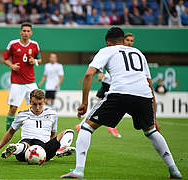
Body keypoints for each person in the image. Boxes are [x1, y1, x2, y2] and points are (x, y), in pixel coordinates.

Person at [60, 27, 182, 179]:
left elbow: (89, 74)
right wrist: (154, 118)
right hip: (143, 96)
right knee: (152, 132)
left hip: (120, 93)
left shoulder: (107, 50)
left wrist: (84, 103)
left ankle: (78, 170)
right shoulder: (138, 53)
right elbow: (150, 85)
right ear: (123, 40)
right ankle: (174, 170)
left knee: (86, 127)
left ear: (108, 42)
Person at [0, 89, 75, 162]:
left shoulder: (53, 114)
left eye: (40, 104)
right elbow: (10, 132)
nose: (37, 108)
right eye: (34, 104)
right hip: (26, 146)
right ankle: (15, 149)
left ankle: (63, 149)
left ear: (44, 101)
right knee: (25, 144)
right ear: (30, 102)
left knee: (69, 132)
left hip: (44, 148)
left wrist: (51, 152)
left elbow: (53, 135)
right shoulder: (22, 115)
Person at [4, 22, 41, 131]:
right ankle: (8, 133)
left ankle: (37, 131)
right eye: (24, 31)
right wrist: (12, 65)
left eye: (28, 31)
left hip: (31, 81)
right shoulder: (13, 44)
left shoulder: (35, 45)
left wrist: (34, 61)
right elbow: (5, 58)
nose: (25, 33)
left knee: (38, 106)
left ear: (31, 33)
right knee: (13, 108)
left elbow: (39, 59)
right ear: (20, 32)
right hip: (16, 82)